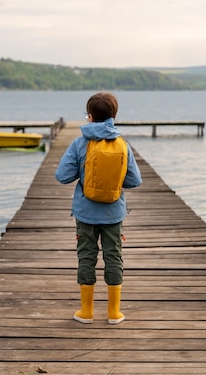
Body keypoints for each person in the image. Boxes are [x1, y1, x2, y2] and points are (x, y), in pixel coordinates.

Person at [55, 92, 142, 324]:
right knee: (114, 257)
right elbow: (135, 181)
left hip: (85, 213)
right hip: (114, 213)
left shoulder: (79, 143)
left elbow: (62, 176)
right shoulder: (122, 144)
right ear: (113, 116)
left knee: (86, 256)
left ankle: (86, 312)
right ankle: (114, 313)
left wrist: (83, 174)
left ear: (90, 117)